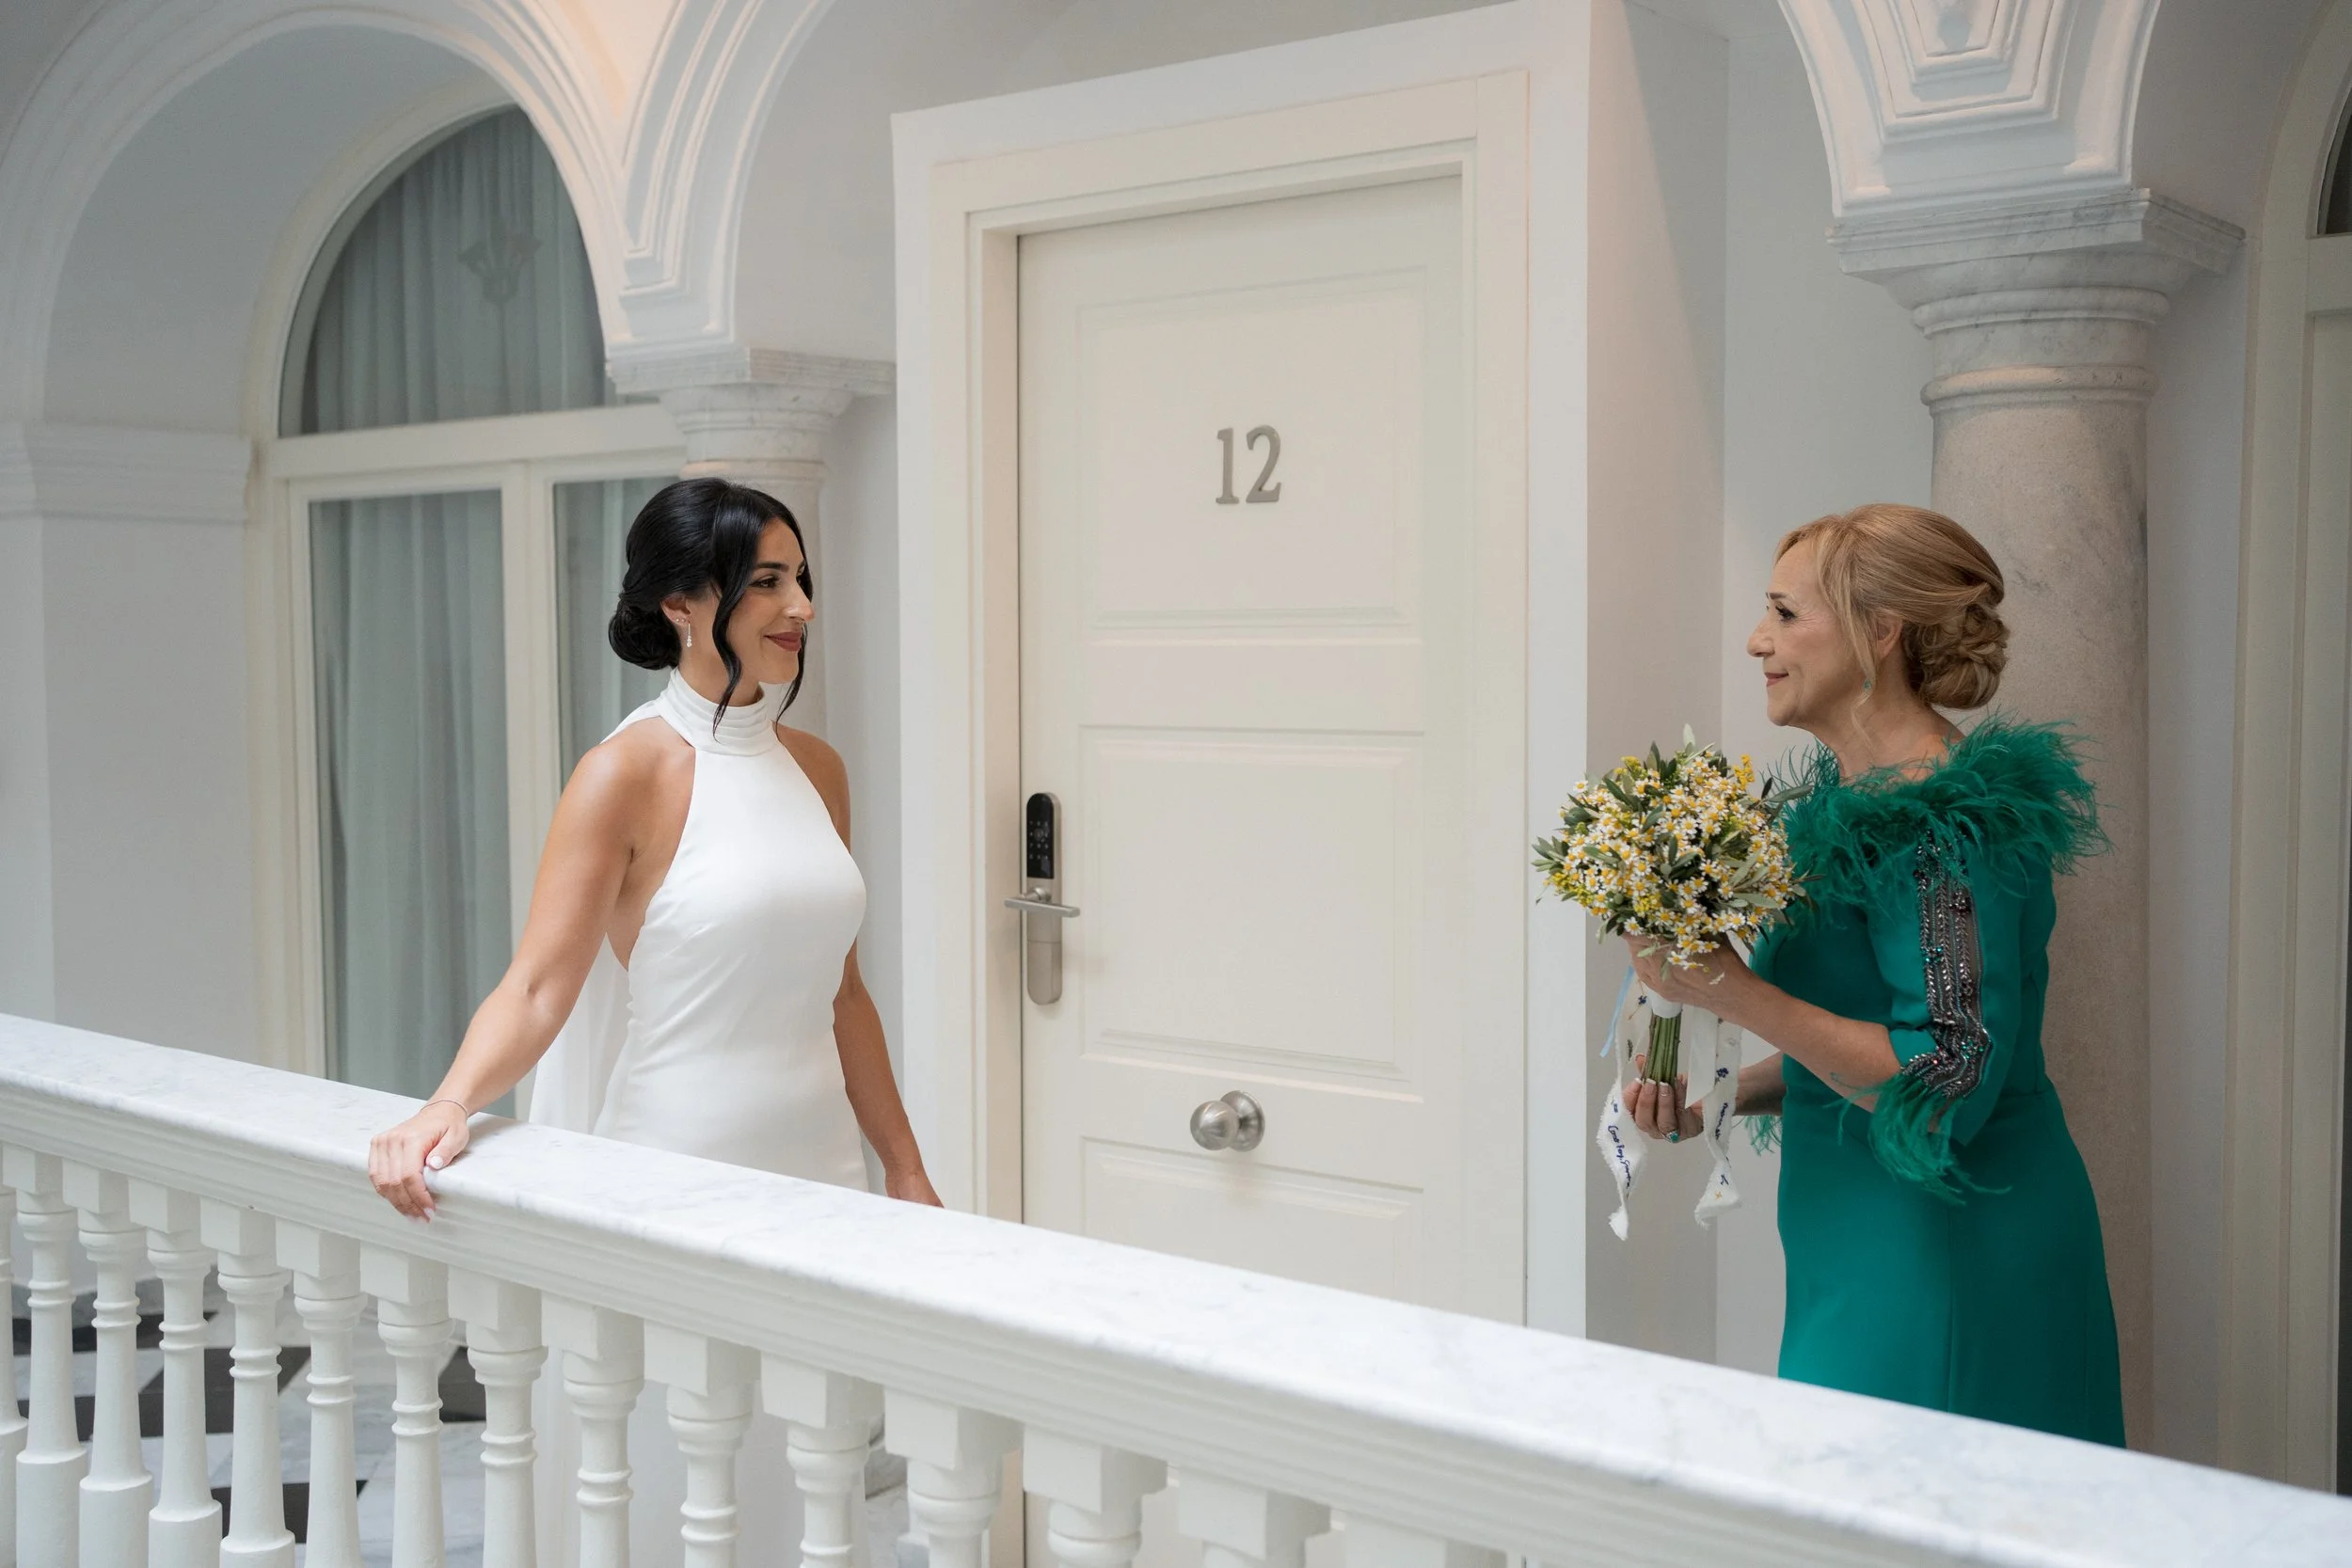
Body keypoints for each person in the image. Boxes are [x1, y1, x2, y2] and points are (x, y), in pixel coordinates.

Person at [367, 475, 938, 1560]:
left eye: (801, 577)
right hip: (676, 1179)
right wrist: (446, 1102)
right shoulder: (622, 773)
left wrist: (903, 1169)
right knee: (678, 1495)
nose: (801, 605)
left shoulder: (817, 767)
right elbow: (541, 981)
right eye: (766, 580)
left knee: (797, 1490)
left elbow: (843, 989)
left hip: (820, 1181)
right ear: (683, 600)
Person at [1621, 502, 2124, 1446]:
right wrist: (1721, 1096)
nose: (1755, 639)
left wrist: (1730, 992)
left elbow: (1946, 1078)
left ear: (1879, 631)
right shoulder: (1859, 803)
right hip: (1854, 1231)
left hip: (1943, 1246)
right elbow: (1869, 1037)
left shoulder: (1939, 822)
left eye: (1784, 613)